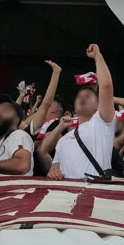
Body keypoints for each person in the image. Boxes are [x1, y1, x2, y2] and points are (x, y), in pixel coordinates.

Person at [44, 45, 115, 180]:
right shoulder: (63, 139)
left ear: (97, 106)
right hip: (67, 197)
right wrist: (53, 173)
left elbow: (106, 87)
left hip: (95, 194)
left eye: (88, 96)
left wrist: (97, 56)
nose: (82, 97)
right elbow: (54, 168)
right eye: (80, 96)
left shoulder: (102, 124)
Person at [0, 98, 34, 175]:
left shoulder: (18, 134)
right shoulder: (2, 142)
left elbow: (22, 165)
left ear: (16, 119)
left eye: (5, 111)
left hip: (18, 186)